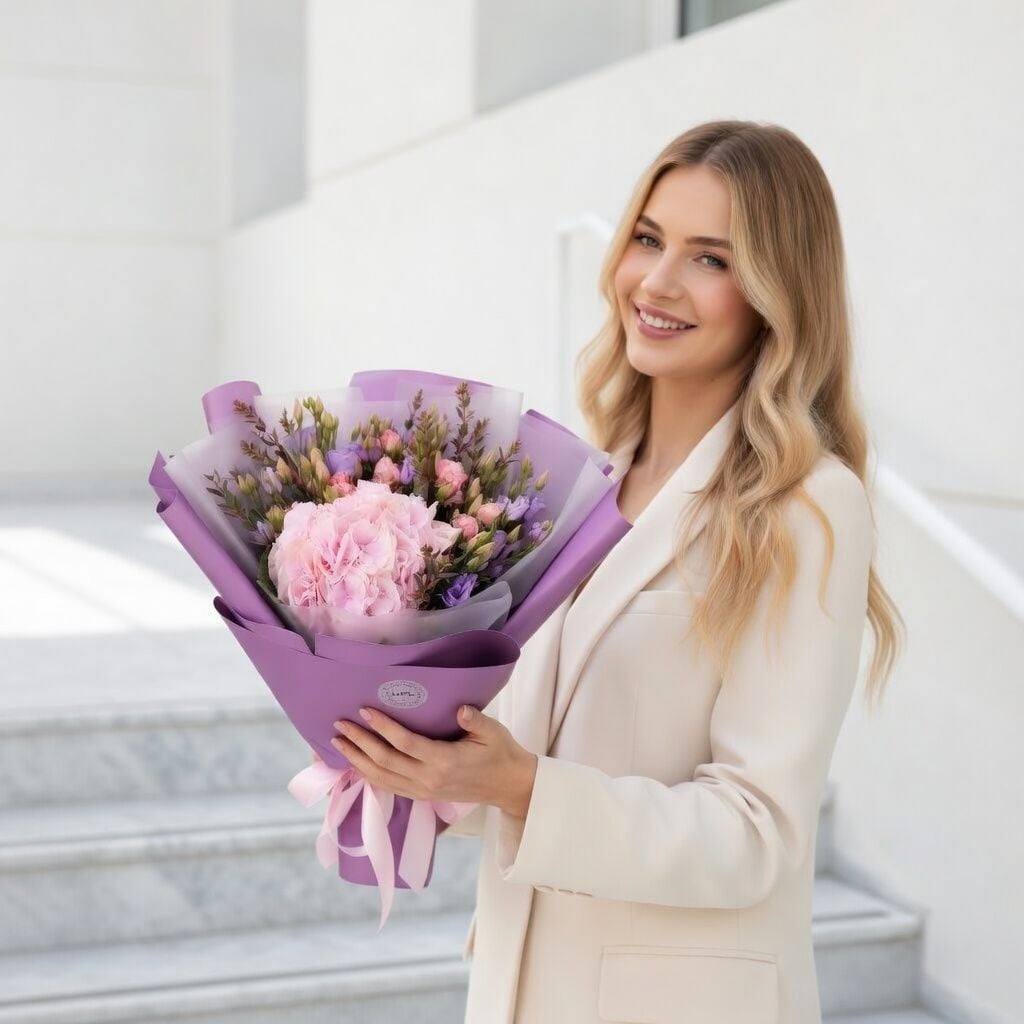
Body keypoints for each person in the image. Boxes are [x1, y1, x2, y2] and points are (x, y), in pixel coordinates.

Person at [330, 119, 905, 1024]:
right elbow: (525, 742)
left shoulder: (803, 505)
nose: (658, 282)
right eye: (648, 238)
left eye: (711, 259)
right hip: (525, 989)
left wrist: (519, 785)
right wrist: (404, 737)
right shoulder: (577, 483)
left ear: (775, 294)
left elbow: (759, 832)